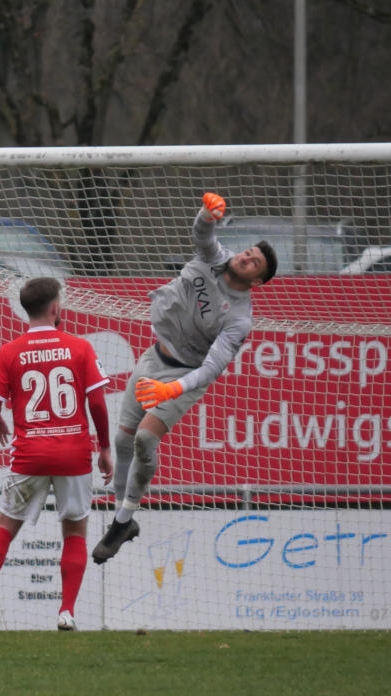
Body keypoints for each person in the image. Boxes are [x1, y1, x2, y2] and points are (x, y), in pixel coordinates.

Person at [93, 192, 277, 564]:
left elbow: (211, 368)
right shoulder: (215, 258)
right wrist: (207, 214)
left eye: (254, 261)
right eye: (248, 252)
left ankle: (123, 518)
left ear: (257, 281)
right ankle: (120, 521)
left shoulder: (240, 319)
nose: (245, 257)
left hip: (186, 375)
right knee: (123, 440)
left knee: (146, 438)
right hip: (154, 357)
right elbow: (201, 235)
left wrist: (172, 388)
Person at [0, 277, 112, 632]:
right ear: (56, 308)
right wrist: (103, 447)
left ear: (26, 309)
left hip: (30, 454)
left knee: (6, 525)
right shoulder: (80, 347)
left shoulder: (10, 351)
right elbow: (98, 403)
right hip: (73, 453)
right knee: (74, 530)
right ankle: (66, 611)